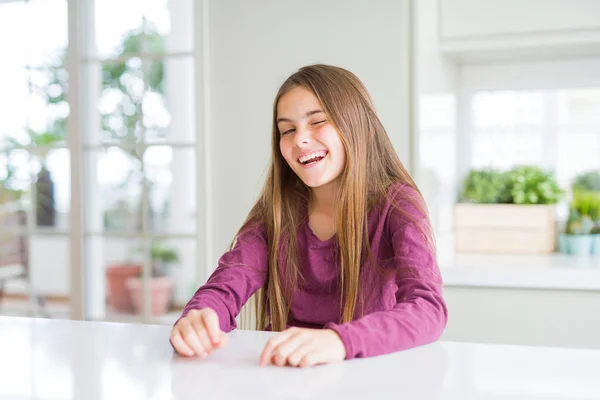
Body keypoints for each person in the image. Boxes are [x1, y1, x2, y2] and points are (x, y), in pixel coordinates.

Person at [169, 64, 448, 368]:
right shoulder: (275, 212)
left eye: (317, 122)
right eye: (287, 129)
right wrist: (200, 316)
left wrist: (339, 341)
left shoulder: (398, 203)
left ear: (359, 125)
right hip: (285, 379)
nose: (300, 139)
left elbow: (428, 308)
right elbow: (226, 286)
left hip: (367, 379)